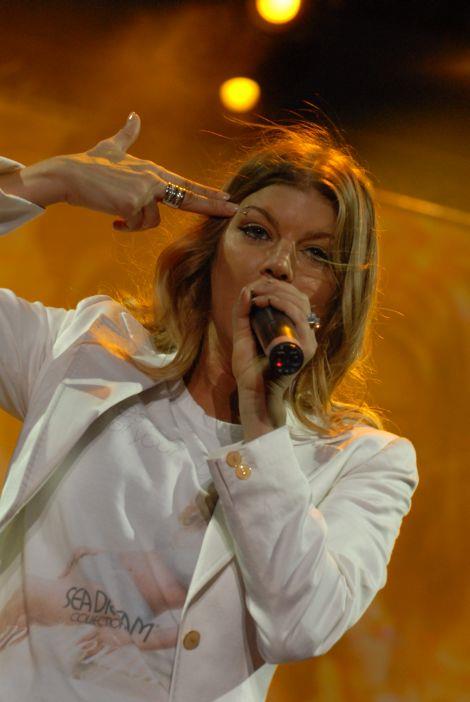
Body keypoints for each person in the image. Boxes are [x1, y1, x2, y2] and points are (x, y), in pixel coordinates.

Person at [0, 112, 418, 702]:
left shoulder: (365, 461)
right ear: (213, 250)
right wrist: (52, 181)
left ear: (337, 295)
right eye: (257, 231)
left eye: (317, 254)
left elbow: (301, 626)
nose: (279, 264)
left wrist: (263, 422)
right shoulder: (88, 352)